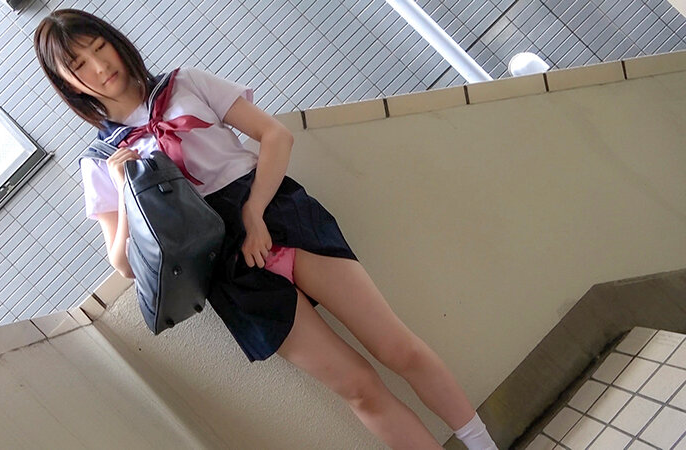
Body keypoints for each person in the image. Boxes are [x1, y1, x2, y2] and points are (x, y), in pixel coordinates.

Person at [33, 9, 498, 450]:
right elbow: (124, 263)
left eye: (99, 48)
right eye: (79, 64)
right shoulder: (101, 161)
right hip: (224, 267)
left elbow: (276, 136)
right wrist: (124, 187)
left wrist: (254, 212)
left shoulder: (185, 83)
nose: (99, 67)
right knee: (358, 387)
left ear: (116, 43)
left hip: (276, 216)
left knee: (396, 347)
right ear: (66, 82)